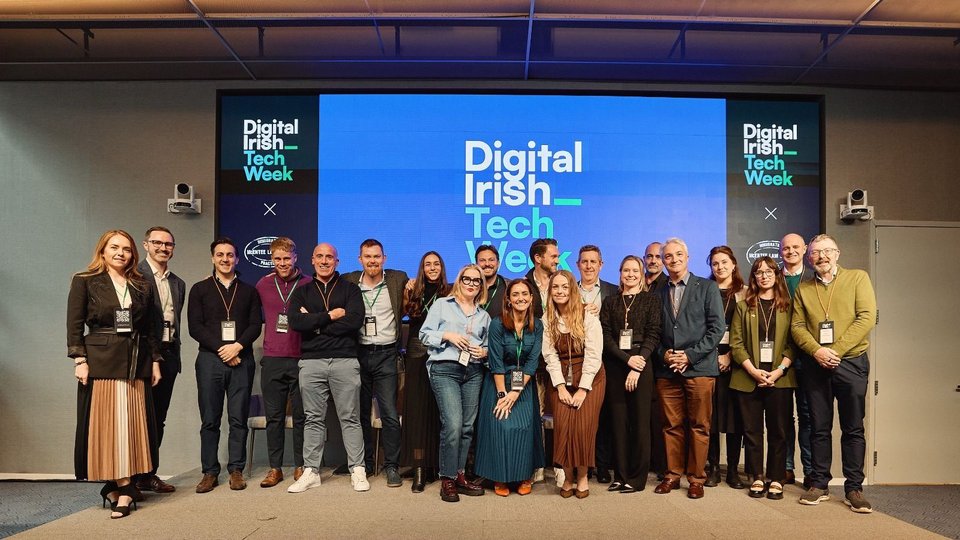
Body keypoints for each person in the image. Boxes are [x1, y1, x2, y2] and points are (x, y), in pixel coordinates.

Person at [68, 230, 162, 519]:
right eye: (115, 247)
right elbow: (74, 323)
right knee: (107, 427)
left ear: (133, 254)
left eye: (126, 249)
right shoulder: (84, 280)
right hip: (101, 362)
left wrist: (155, 361)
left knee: (130, 426)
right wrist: (79, 359)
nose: (121, 253)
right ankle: (125, 487)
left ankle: (118, 484)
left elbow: (150, 328)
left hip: (135, 362)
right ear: (103, 250)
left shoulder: (141, 284)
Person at [791, 234, 877, 513]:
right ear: (809, 258)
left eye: (827, 251)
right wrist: (817, 351)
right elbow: (797, 327)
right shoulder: (803, 289)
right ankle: (819, 484)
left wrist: (835, 350)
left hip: (851, 362)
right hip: (816, 365)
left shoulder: (858, 278)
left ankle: (854, 488)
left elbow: (866, 316)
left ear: (837, 254)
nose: (822, 257)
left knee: (853, 427)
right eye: (816, 253)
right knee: (818, 427)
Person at [286, 243, 369, 493]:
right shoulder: (301, 292)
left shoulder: (350, 289)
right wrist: (330, 317)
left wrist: (316, 323)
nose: (324, 261)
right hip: (311, 362)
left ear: (337, 262)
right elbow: (296, 322)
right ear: (312, 260)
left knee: (350, 417)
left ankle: (357, 468)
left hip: (345, 360)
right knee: (312, 418)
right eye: (320, 257)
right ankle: (311, 471)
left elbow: (355, 321)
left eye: (330, 257)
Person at [188, 238, 263, 493]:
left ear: (237, 259)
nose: (225, 259)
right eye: (220, 255)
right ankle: (209, 472)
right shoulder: (199, 289)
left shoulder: (249, 291)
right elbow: (195, 327)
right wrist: (223, 350)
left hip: (242, 359)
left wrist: (237, 346)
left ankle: (236, 470)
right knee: (210, 419)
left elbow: (255, 325)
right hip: (210, 360)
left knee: (238, 418)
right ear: (212, 258)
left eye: (230, 255)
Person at [653, 238, 725, 499]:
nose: (673, 260)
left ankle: (696, 478)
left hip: (700, 369)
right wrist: (665, 355)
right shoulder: (657, 291)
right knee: (671, 425)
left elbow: (717, 329)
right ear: (663, 260)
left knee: (699, 426)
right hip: (667, 370)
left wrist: (690, 356)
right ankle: (672, 475)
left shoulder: (706, 287)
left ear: (688, 256)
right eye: (668, 256)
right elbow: (655, 332)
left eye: (678, 254)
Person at [420, 264, 491, 502]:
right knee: (453, 424)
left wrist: (484, 352)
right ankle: (447, 479)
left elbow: (489, 346)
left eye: (476, 281)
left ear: (481, 285)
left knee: (467, 427)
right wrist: (447, 336)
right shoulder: (442, 305)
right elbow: (423, 334)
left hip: (473, 371)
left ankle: (460, 475)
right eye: (467, 279)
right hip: (445, 369)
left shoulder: (484, 315)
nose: (471, 284)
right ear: (459, 281)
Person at [730, 256, 797, 500]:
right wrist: (753, 371)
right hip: (749, 378)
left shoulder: (788, 306)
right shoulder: (743, 306)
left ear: (777, 275)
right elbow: (736, 344)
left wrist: (779, 371)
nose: (764, 275)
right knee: (752, 431)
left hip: (780, 378)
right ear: (754, 278)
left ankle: (776, 477)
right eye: (759, 272)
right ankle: (756, 476)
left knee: (779, 430)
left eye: (769, 271)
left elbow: (794, 343)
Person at [343, 239, 408, 486]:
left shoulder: (397, 279)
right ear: (360, 259)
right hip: (359, 354)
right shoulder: (349, 281)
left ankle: (391, 465)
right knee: (360, 414)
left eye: (377, 256)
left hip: (387, 355)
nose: (373, 261)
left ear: (385, 258)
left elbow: (414, 289)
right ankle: (366, 463)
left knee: (390, 414)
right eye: (368, 256)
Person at [475, 279, 545, 496]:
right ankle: (500, 477)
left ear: (531, 298)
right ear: (508, 299)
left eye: (525, 294)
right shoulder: (497, 323)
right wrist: (503, 393)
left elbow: (533, 361)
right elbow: (495, 361)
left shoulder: (538, 325)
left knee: (523, 429)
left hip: (523, 384)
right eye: (515, 294)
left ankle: (524, 475)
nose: (520, 298)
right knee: (502, 426)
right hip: (499, 382)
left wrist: (515, 393)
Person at [599, 256, 662, 493]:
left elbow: (653, 334)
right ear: (620, 273)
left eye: (635, 270)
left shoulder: (651, 300)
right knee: (618, 422)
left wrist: (638, 363)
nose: (631, 274)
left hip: (642, 364)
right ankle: (621, 474)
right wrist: (626, 360)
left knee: (640, 423)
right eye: (626, 270)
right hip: (616, 364)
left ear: (642, 273)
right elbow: (605, 336)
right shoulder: (610, 302)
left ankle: (636, 478)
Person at [542, 270, 605, 499]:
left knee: (582, 428)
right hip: (560, 377)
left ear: (572, 290)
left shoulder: (587, 316)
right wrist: (559, 386)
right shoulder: (547, 319)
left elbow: (594, 355)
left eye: (564, 287)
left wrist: (582, 389)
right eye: (555, 287)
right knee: (563, 426)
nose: (560, 291)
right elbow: (550, 356)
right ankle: (567, 477)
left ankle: (582, 477)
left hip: (590, 377)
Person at [254, 237, 310, 488]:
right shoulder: (263, 284)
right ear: (272, 259)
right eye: (277, 259)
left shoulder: (309, 283)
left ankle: (301, 465)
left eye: (287, 258)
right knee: (274, 417)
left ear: (295, 257)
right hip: (273, 358)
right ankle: (275, 468)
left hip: (301, 357)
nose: (283, 263)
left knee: (301, 416)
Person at [134, 226, 185, 494]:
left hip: (168, 356)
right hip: (141, 358)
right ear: (146, 245)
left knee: (158, 418)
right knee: (138, 417)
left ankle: (148, 473)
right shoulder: (135, 277)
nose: (163, 248)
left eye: (168, 244)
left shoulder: (178, 283)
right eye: (157, 242)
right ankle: (130, 475)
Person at [400, 251, 451, 493]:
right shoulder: (412, 291)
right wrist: (408, 289)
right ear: (422, 268)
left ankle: (433, 465)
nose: (432, 268)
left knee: (436, 413)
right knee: (418, 413)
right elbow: (401, 315)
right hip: (417, 355)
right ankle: (419, 467)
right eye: (428, 264)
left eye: (436, 264)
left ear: (442, 267)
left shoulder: (450, 292)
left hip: (441, 355)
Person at [705, 246, 747, 489]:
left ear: (733, 264)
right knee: (710, 418)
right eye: (714, 263)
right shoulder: (704, 291)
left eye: (724, 262)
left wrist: (730, 355)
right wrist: (714, 357)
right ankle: (712, 468)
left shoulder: (746, 292)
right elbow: (701, 329)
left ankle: (732, 470)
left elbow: (750, 332)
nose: (719, 267)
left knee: (734, 420)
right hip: (709, 361)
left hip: (738, 363)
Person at [576, 245, 618, 485]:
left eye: (593, 262)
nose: (589, 266)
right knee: (582, 417)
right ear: (578, 265)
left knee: (602, 416)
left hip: (606, 360)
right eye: (584, 261)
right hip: (576, 360)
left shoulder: (612, 291)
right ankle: (584, 464)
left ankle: (602, 465)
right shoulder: (569, 290)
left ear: (601, 265)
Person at [780, 232, 812, 487]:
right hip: (780, 358)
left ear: (805, 249)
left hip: (808, 357)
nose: (790, 251)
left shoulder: (813, 280)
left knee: (807, 415)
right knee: (783, 417)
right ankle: (786, 467)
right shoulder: (772, 279)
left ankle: (810, 470)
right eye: (786, 248)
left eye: (795, 247)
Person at [643, 241, 669, 479]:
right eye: (649, 256)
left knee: (659, 415)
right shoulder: (635, 282)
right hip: (635, 359)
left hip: (660, 359)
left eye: (657, 257)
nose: (653, 260)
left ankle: (661, 465)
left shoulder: (667, 286)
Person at [476, 244, 507, 319]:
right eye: (482, 260)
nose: (487, 264)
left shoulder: (508, 286)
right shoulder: (468, 286)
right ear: (476, 264)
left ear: (498, 263)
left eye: (491, 260)